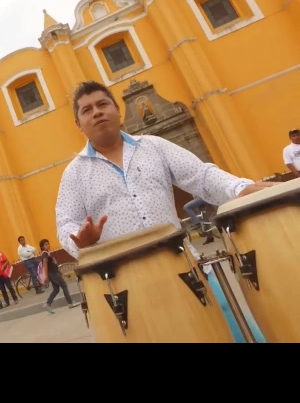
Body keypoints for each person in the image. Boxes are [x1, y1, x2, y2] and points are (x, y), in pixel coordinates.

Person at [56, 81, 276, 342]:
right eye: (87, 110)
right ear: (79, 124)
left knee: (227, 333)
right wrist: (80, 241)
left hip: (185, 268)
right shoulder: (74, 174)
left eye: (103, 104)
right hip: (125, 285)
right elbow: (66, 223)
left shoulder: (153, 146)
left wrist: (239, 188)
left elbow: (201, 176)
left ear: (117, 109)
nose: (97, 112)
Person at [39, 239, 80, 313]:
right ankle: (70, 302)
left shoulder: (47, 253)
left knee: (56, 289)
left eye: (48, 244)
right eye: (45, 244)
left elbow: (53, 265)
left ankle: (48, 304)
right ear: (42, 247)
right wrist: (46, 277)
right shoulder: (44, 254)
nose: (48, 245)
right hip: (53, 274)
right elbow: (45, 266)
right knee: (64, 286)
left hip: (54, 273)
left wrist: (60, 272)